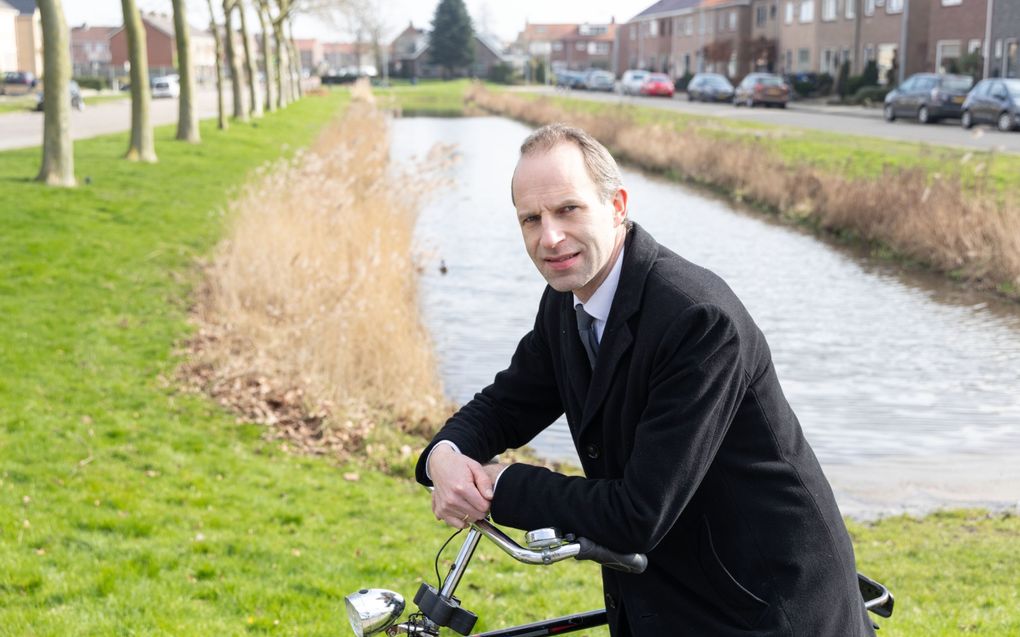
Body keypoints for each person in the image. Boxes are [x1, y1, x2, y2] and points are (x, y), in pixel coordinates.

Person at [415, 123, 875, 637]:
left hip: (766, 610)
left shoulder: (697, 319)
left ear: (617, 206)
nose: (550, 237)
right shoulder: (568, 299)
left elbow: (638, 513)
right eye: (531, 219)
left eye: (568, 209)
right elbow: (507, 404)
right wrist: (446, 457)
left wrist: (499, 484)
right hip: (669, 598)